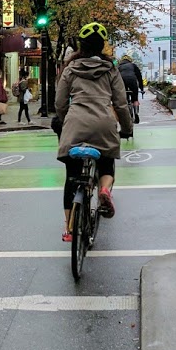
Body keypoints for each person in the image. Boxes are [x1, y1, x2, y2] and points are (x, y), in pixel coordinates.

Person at [55, 22, 134, 241]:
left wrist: (64, 122)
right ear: (102, 46)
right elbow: (121, 104)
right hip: (103, 124)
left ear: (81, 45)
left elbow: (60, 103)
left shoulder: (71, 68)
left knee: (72, 176)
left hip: (75, 124)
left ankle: (69, 229)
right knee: (107, 162)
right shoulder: (111, 69)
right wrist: (127, 129)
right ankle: (104, 190)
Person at [118, 54, 145, 124]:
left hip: (122, 81)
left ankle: (126, 114)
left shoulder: (119, 67)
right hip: (132, 80)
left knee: (124, 98)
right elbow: (139, 77)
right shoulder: (133, 65)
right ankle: (136, 113)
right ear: (129, 60)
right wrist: (141, 88)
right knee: (135, 99)